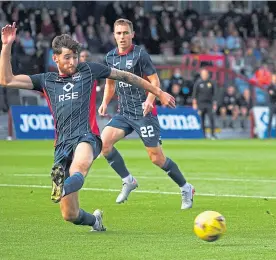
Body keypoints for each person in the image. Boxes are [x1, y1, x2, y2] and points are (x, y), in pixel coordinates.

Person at [0, 23, 175, 231]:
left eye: (75, 56)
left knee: (79, 168)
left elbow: (128, 77)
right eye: (67, 57)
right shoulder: (46, 81)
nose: (73, 61)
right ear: (55, 58)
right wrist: (6, 45)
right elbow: (6, 79)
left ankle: (62, 186)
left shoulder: (88, 70)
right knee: (70, 215)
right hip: (62, 144)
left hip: (87, 137)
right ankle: (95, 221)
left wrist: (158, 92)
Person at [98, 19, 194, 209]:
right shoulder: (110, 57)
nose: (122, 37)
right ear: (114, 35)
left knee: (156, 158)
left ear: (132, 34)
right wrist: (104, 103)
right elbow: (110, 84)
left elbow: (154, 81)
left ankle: (186, 187)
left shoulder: (140, 54)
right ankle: (128, 180)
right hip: (124, 112)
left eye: (126, 33)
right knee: (104, 144)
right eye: (119, 33)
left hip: (144, 113)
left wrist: (150, 100)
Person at [192, 68, 217, 139]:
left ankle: (212, 134)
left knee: (211, 118)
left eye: (205, 74)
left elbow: (214, 94)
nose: (204, 76)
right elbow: (194, 94)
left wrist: (214, 104)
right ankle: (204, 135)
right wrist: (194, 103)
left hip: (209, 104)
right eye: (203, 74)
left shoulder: (211, 82)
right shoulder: (198, 83)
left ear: (208, 74)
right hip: (201, 104)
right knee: (202, 120)